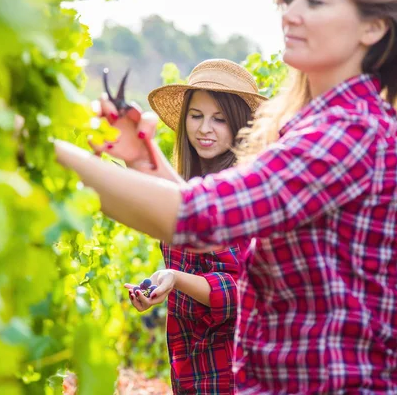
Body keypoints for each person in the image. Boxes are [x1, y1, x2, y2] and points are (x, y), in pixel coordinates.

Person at [54, 0, 397, 392]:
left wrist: (50, 153)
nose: (291, 13)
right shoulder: (319, 127)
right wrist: (140, 159)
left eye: (316, 2)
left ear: (373, 27)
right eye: (288, 0)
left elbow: (198, 217)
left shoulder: (345, 133)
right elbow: (217, 218)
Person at [92, 59, 267, 394]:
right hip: (189, 368)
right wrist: (160, 288)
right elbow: (149, 201)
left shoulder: (242, 190)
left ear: (240, 125)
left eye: (219, 119)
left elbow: (243, 293)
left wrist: (175, 280)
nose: (204, 128)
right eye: (196, 115)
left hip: (235, 374)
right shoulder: (188, 185)